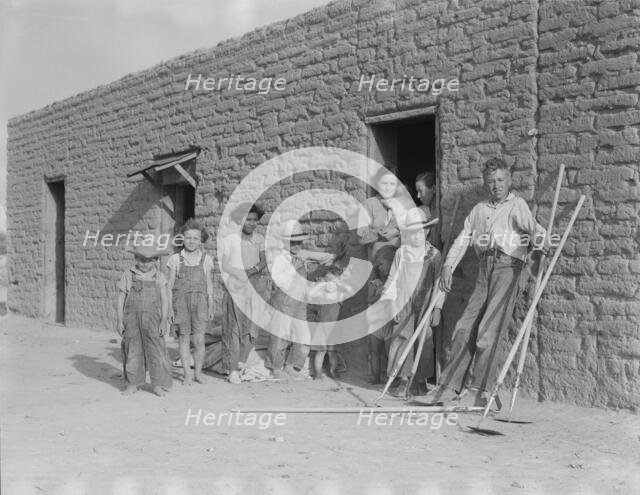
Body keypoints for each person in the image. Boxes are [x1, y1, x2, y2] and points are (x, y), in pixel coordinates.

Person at [430, 158, 549, 408]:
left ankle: (481, 392)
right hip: (484, 268)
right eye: (491, 181)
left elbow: (535, 230)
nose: (495, 185)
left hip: (508, 268)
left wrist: (541, 241)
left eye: (500, 180)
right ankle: (450, 386)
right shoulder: (479, 209)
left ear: (509, 180)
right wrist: (449, 266)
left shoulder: (517, 205)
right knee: (464, 327)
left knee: (487, 332)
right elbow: (463, 239)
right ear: (485, 183)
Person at [378, 208, 442, 397]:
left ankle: (420, 380)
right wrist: (390, 302)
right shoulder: (402, 253)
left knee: (424, 339)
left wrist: (437, 307)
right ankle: (403, 380)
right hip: (404, 300)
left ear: (428, 231)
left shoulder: (433, 255)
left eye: (421, 232)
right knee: (402, 337)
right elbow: (393, 278)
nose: (417, 237)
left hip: (426, 302)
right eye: (412, 233)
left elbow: (440, 283)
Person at [220, 203, 268, 385]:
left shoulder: (259, 238)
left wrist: (253, 270)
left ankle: (240, 359)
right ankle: (231, 369)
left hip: (256, 283)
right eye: (248, 219)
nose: (252, 223)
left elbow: (264, 261)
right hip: (237, 282)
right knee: (234, 327)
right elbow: (225, 265)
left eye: (255, 220)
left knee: (253, 325)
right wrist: (240, 274)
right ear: (240, 220)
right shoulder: (231, 239)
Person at [116, 244, 172, 396]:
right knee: (132, 351)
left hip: (153, 319)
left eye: (148, 260)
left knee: (156, 350)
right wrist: (120, 320)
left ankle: (157, 385)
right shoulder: (128, 274)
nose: (144, 263)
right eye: (141, 259)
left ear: (155, 260)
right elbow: (121, 298)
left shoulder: (159, 276)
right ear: (135, 258)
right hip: (131, 319)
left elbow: (165, 300)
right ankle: (132, 384)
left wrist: (164, 320)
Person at [167, 219, 215, 385]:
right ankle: (187, 374)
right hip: (181, 304)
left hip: (200, 303)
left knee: (199, 340)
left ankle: (198, 373)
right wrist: (169, 309)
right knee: (184, 339)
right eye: (188, 237)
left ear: (201, 240)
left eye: (195, 238)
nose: (191, 241)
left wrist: (210, 304)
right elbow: (169, 286)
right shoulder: (175, 259)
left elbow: (209, 284)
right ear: (182, 238)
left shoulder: (206, 259)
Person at [308, 266, 352, 380]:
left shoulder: (339, 295)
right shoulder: (322, 294)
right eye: (327, 281)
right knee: (320, 351)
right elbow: (311, 294)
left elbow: (351, 291)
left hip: (334, 329)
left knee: (332, 352)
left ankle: (333, 371)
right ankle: (318, 374)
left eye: (333, 281)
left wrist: (340, 283)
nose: (329, 284)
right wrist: (320, 284)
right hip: (320, 327)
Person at [366, 244, 397, 384]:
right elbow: (369, 299)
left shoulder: (395, 284)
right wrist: (381, 296)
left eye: (382, 264)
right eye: (378, 265)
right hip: (376, 324)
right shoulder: (375, 283)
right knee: (374, 353)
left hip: (389, 324)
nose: (380, 268)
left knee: (389, 353)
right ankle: (375, 376)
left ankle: (389, 377)